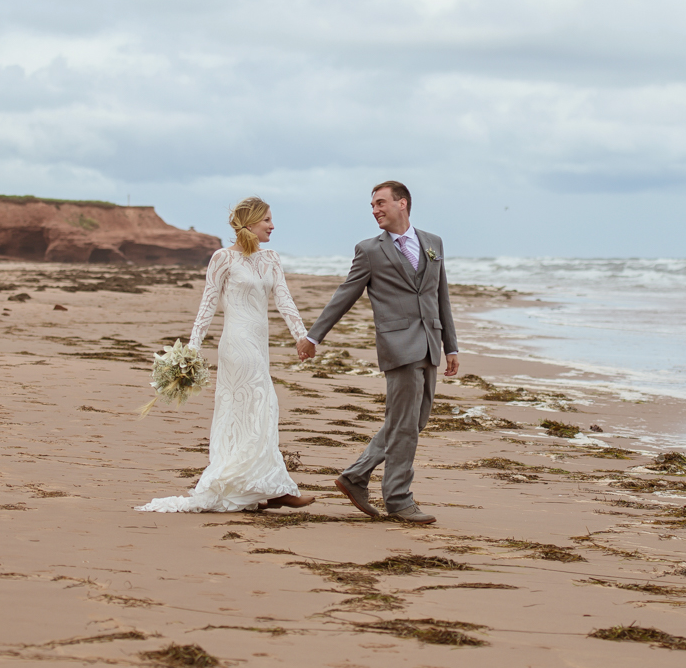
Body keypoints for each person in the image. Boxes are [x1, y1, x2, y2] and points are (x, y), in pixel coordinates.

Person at [137, 197, 316, 513]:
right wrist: (192, 349)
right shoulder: (223, 258)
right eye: (267, 221)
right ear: (250, 224)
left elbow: (284, 301)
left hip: (260, 345)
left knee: (256, 412)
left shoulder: (271, 258)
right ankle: (274, 489)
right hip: (236, 346)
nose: (272, 226)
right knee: (260, 407)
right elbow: (207, 305)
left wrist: (302, 337)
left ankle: (260, 485)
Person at [299, 181, 458, 525]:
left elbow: (440, 296)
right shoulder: (370, 250)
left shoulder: (433, 244)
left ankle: (355, 477)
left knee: (413, 422)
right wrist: (313, 337)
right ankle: (399, 500)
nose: (375, 210)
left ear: (403, 203)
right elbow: (345, 294)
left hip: (431, 342)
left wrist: (452, 346)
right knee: (404, 425)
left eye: (381, 203)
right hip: (398, 345)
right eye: (372, 205)